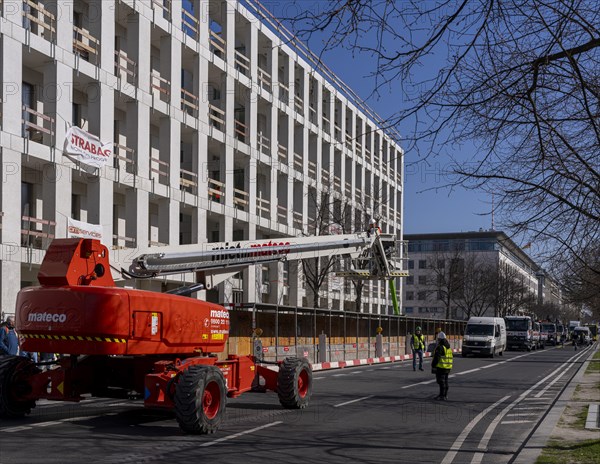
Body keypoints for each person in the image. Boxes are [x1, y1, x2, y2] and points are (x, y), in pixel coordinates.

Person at [431, 331, 453, 400]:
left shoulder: (440, 347)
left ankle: (442, 396)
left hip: (441, 367)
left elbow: (437, 357)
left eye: (438, 339)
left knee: (441, 382)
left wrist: (433, 365)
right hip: (448, 367)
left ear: (440, 339)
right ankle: (445, 395)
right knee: (445, 382)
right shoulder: (448, 347)